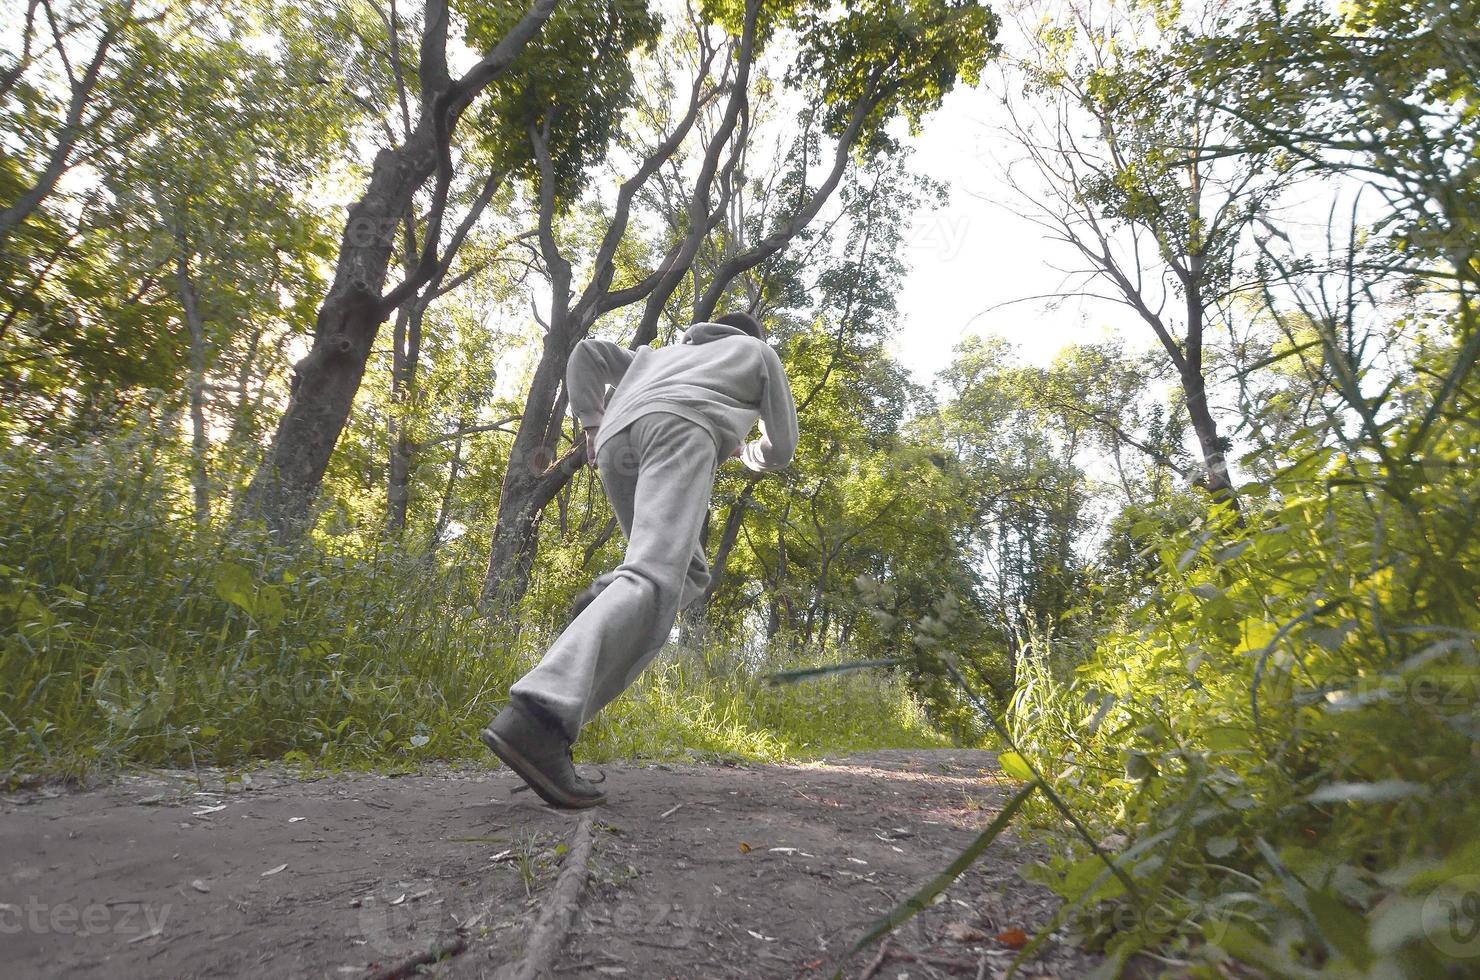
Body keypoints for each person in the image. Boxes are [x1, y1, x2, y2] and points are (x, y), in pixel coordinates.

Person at [482, 311, 799, 808]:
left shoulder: (656, 356)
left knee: (684, 571)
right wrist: (746, 452)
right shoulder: (756, 353)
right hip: (682, 428)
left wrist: (591, 423)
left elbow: (585, 352)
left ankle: (611, 599)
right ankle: (539, 719)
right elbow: (781, 448)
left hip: (617, 441)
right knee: (653, 576)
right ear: (752, 336)